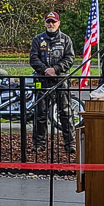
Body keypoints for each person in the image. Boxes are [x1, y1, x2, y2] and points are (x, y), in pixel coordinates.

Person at [29, 11, 76, 153]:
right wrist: (45, 70)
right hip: (42, 80)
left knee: (66, 113)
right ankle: (39, 144)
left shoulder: (66, 39)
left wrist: (55, 69)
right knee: (40, 113)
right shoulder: (38, 39)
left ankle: (70, 144)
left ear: (58, 23)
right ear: (45, 23)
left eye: (53, 22)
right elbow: (33, 58)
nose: (50, 24)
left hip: (61, 80)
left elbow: (70, 58)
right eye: (48, 22)